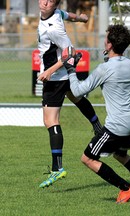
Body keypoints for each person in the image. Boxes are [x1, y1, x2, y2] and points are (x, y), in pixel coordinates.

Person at [62, 24, 130, 203]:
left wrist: (71, 69)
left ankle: (126, 188)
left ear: (109, 45)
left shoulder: (104, 68)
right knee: (120, 155)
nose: (104, 41)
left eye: (106, 38)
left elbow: (78, 91)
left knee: (87, 158)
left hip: (117, 126)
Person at [37, 0, 102, 188]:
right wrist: (81, 18)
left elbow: (71, 52)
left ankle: (57, 169)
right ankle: (97, 126)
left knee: (50, 121)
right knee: (76, 97)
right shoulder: (56, 13)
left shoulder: (54, 28)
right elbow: (68, 15)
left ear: (53, 4)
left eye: (49, 1)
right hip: (63, 75)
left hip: (55, 77)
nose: (44, 3)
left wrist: (49, 71)